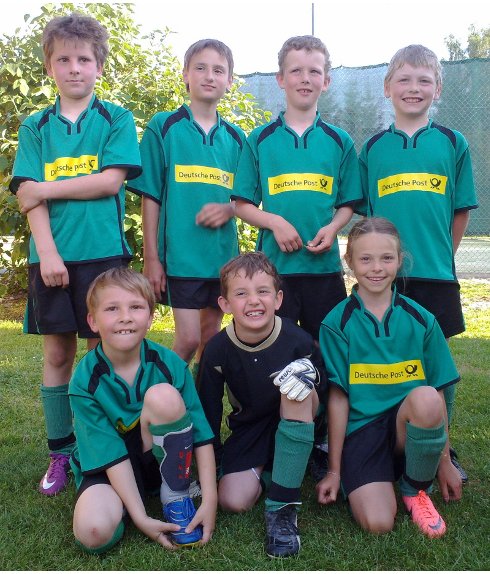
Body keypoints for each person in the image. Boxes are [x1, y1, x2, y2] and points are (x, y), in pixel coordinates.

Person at [8, 13, 142, 496]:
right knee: (58, 353)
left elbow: (109, 182)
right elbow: (28, 199)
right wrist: (47, 253)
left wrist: (44, 187)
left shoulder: (115, 119)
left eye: (84, 59)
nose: (74, 68)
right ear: (49, 67)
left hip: (103, 257)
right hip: (51, 257)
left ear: (99, 66)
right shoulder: (35, 127)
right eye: (63, 59)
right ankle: (61, 451)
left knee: (101, 352)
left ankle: (98, 446)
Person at [358, 45, 478, 482]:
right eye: (404, 79)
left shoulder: (453, 143)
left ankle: (442, 449)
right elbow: (367, 217)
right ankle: (387, 442)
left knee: (438, 369)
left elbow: (460, 211)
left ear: (438, 88)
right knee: (388, 360)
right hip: (385, 279)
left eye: (424, 80)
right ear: (387, 87)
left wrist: (442, 256)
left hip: (435, 276)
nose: (414, 88)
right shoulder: (372, 149)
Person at [316, 217, 463, 539]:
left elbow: (439, 391)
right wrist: (334, 471)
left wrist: (445, 461)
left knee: (426, 396)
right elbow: (338, 399)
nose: (376, 268)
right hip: (363, 432)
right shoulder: (337, 323)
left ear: (399, 260)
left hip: (406, 430)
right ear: (349, 261)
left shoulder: (421, 319)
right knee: (377, 522)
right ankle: (376, 478)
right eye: (365, 258)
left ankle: (415, 489)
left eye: (386, 258)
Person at [69, 267, 217, 554]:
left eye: (135, 307)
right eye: (112, 308)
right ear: (93, 321)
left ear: (150, 318)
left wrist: (211, 499)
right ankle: (124, 503)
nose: (125, 317)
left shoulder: (169, 364)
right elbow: (108, 453)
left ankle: (176, 494)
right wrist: (140, 517)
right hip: (110, 467)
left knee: (163, 396)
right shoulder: (85, 380)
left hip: (157, 461)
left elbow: (199, 432)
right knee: (93, 532)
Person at [127, 38, 246, 376]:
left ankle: (198, 404)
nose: (209, 76)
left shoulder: (237, 138)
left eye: (218, 70)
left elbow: (245, 200)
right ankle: (154, 394)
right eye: (201, 68)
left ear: (229, 81)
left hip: (221, 258)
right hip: (181, 258)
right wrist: (152, 259)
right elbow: (151, 196)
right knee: (189, 339)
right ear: (185, 75)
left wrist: (229, 210)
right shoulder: (164, 127)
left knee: (210, 337)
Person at [232, 35, 362, 342]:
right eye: (296, 71)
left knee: (327, 349)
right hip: (274, 271)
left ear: (326, 81)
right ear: (281, 79)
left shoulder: (339, 141)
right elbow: (241, 204)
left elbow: (347, 204)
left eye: (314, 71)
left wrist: (333, 228)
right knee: (276, 348)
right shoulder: (260, 139)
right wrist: (275, 222)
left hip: (324, 269)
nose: (305, 78)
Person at [197, 252, 325, 558]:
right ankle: (279, 468)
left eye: (263, 291)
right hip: (251, 427)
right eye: (241, 293)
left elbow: (325, 390)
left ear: (278, 299)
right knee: (233, 501)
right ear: (225, 304)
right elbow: (208, 410)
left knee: (296, 387)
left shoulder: (298, 339)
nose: (253, 301)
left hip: (297, 415)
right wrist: (212, 464)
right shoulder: (216, 350)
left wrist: (310, 377)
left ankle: (282, 508)